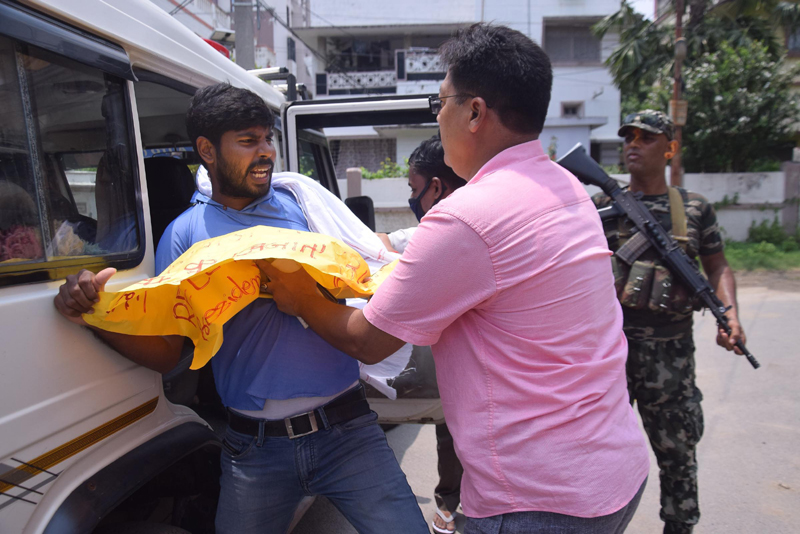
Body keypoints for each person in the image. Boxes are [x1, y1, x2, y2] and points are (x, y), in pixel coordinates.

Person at [259, 23, 650, 534]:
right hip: (611, 470)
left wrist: (301, 298)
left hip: (538, 501)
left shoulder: (468, 217)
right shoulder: (566, 186)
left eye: (439, 101)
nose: (437, 115)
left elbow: (370, 341)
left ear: (474, 112)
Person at [52, 83, 428, 534]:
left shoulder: (304, 208)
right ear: (207, 150)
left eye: (267, 138)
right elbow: (172, 350)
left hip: (350, 434)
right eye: (248, 142)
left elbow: (365, 269)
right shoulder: (186, 236)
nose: (265, 152)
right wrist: (95, 318)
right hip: (255, 452)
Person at [592, 110, 746, 534]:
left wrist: (728, 314)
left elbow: (717, 267)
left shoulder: (694, 208)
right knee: (598, 456)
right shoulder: (602, 206)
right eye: (629, 137)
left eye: (646, 137)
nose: (633, 144)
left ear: (670, 148)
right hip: (610, 356)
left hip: (672, 357)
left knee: (678, 456)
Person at [379, 135, 467, 534]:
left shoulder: (451, 232)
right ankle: (450, 503)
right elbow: (387, 242)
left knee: (464, 435)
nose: (413, 198)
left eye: (415, 189)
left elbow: (366, 340)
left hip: (475, 371)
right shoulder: (439, 227)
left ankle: (456, 506)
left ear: (436, 187)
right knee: (455, 432)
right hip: (459, 368)